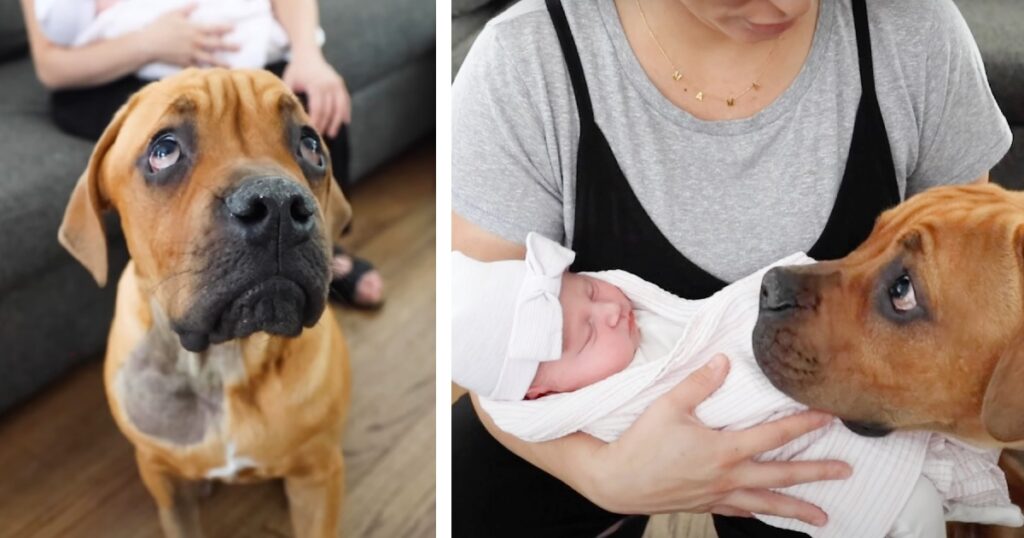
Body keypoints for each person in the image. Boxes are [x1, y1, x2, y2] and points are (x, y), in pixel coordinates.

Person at [451, 0, 1012, 536]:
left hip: (821, 438)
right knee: (471, 490)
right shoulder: (526, 63)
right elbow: (489, 349)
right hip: (602, 426)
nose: (788, 7)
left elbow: (979, 309)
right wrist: (606, 476)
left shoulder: (912, 30)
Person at [451, 232, 1023, 537]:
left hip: (822, 369)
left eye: (593, 291)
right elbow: (494, 378)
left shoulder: (924, 43)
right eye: (581, 337)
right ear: (543, 393)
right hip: (764, 439)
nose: (607, 312)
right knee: (465, 482)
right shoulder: (592, 400)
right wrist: (607, 476)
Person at [21, 0, 383, 309]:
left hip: (242, 55)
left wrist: (309, 55)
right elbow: (51, 66)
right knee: (164, 145)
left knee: (316, 108)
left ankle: (325, 252)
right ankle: (184, 275)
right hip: (124, 70)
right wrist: (149, 44)